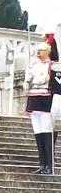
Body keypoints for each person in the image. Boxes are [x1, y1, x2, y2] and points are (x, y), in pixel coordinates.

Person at [25, 34, 61, 175]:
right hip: (34, 101)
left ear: (48, 51)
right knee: (38, 133)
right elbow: (29, 80)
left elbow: (57, 87)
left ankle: (49, 165)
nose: (38, 52)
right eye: (37, 50)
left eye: (41, 50)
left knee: (47, 132)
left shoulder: (53, 66)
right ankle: (42, 163)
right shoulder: (32, 65)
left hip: (47, 102)